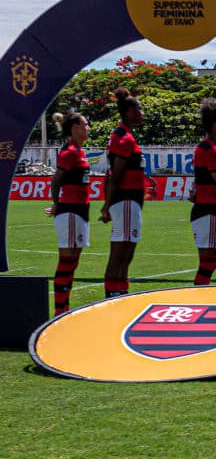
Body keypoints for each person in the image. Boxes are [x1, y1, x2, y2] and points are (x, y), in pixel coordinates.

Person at [98, 88, 144, 298]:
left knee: (126, 253)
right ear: (127, 111)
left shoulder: (123, 136)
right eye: (138, 109)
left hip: (128, 201)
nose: (142, 113)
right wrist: (107, 206)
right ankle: (112, 296)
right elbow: (115, 174)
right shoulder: (123, 138)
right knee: (120, 253)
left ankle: (120, 293)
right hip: (125, 200)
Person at [44, 112, 91, 315]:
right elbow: (56, 179)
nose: (88, 128)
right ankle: (60, 310)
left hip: (80, 210)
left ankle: (65, 307)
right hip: (70, 210)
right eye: (85, 125)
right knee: (67, 260)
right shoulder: (69, 152)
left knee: (74, 260)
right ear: (75, 128)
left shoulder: (78, 151)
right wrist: (57, 202)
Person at [190, 98, 216, 286]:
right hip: (210, 211)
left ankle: (200, 293)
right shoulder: (210, 149)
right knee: (209, 262)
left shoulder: (206, 147)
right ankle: (198, 295)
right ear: (215, 126)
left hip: (207, 210)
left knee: (208, 262)